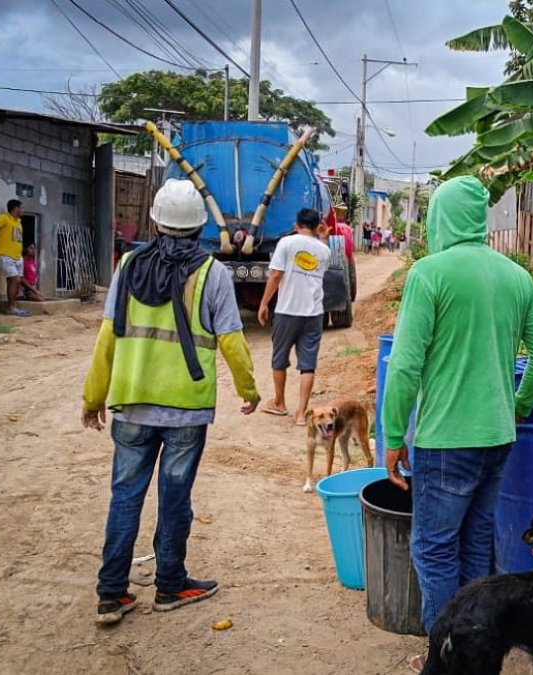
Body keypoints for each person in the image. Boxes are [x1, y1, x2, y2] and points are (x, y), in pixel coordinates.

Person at [380, 176, 533, 672]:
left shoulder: (429, 274)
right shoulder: (515, 275)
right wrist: (520, 404)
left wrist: (393, 436)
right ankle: (478, 652)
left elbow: (406, 365)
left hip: (444, 441)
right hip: (498, 436)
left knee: (435, 551)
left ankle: (446, 658)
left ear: (439, 218)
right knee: (476, 548)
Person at [80, 178, 260, 626]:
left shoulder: (127, 266)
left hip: (132, 403)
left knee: (125, 498)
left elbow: (107, 338)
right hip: (185, 410)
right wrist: (249, 391)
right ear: (199, 225)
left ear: (156, 221)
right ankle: (170, 586)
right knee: (175, 500)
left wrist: (93, 396)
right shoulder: (211, 273)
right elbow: (232, 341)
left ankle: (111, 595)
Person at [258, 208, 332, 426]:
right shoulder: (323, 249)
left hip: (287, 311)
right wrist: (324, 237)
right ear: (317, 225)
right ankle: (301, 414)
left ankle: (279, 403)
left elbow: (276, 274)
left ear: (296, 224)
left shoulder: (287, 243)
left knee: (279, 358)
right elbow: (324, 265)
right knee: (307, 364)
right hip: (314, 314)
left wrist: (264, 303)